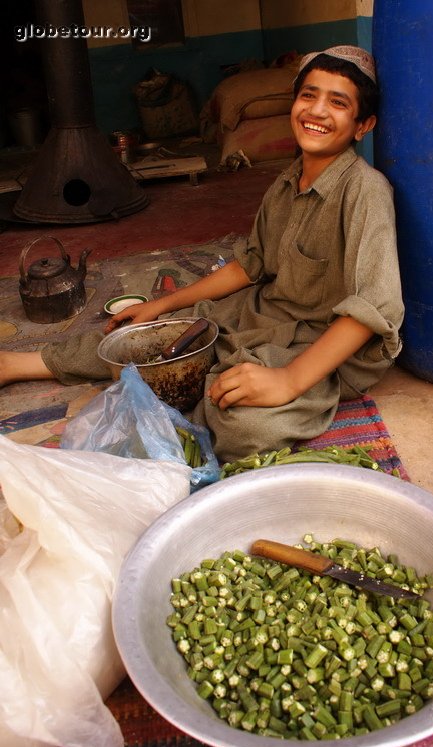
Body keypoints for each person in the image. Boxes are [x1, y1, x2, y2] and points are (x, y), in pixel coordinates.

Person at [0, 46, 404, 461]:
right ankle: (16, 364)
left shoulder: (365, 191)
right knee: (146, 337)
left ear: (363, 125)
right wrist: (162, 304)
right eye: (309, 96)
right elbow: (250, 266)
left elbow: (373, 307)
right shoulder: (285, 184)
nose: (317, 111)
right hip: (259, 317)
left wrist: (288, 380)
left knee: (242, 424)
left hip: (316, 347)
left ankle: (196, 404)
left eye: (338, 103)